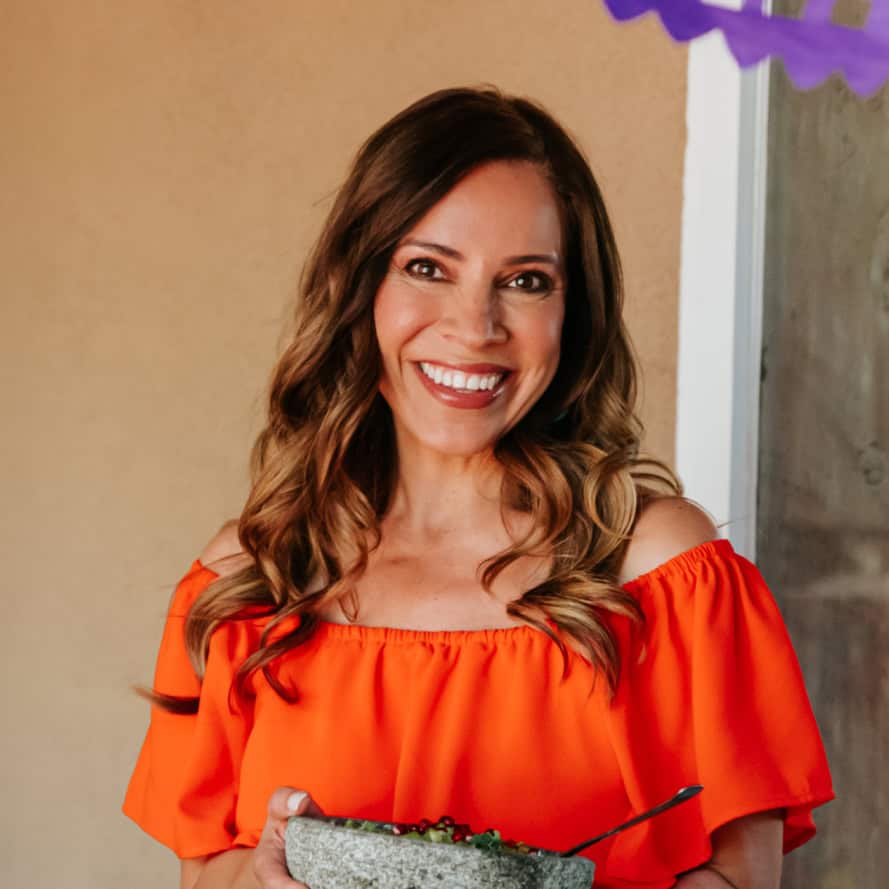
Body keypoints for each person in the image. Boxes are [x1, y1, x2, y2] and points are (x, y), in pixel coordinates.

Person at [123, 86, 833, 889]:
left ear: (574, 315)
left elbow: (742, 878)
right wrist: (257, 878)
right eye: (426, 267)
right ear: (359, 293)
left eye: (525, 281)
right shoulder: (250, 580)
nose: (474, 326)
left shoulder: (663, 571)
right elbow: (202, 872)